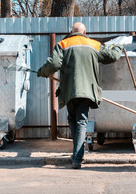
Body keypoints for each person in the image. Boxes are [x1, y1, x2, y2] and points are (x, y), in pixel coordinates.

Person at [37, 22, 123, 169]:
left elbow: (54, 64)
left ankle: (77, 156)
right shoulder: (93, 44)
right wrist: (119, 46)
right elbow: (112, 56)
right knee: (81, 120)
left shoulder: (63, 44)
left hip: (69, 91)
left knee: (73, 118)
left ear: (72, 32)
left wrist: (42, 72)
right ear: (84, 32)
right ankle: (77, 156)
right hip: (87, 91)